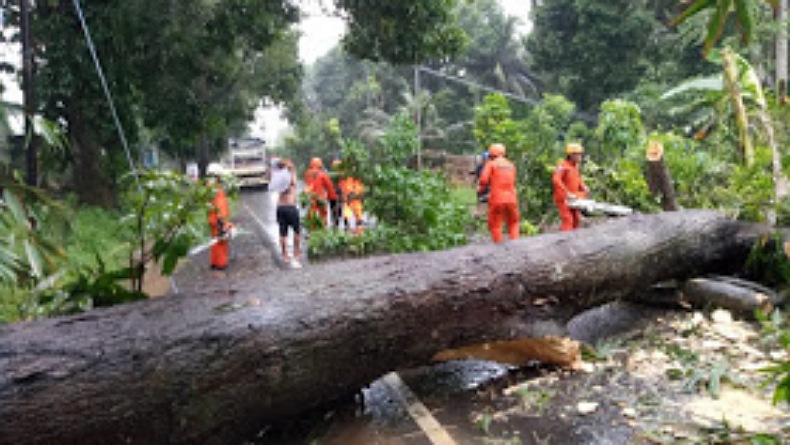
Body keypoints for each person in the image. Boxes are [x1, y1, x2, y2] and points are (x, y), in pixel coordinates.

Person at [478, 143, 519, 243]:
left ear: (491, 154)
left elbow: (483, 180)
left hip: (497, 199)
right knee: (513, 223)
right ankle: (517, 245)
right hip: (512, 199)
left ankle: (498, 248)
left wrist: (480, 190)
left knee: (495, 225)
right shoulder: (511, 165)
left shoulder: (491, 164)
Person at [552, 142, 589, 231]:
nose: (580, 157)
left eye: (580, 154)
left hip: (574, 198)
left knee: (576, 219)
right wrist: (566, 193)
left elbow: (578, 178)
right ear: (571, 155)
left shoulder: (575, 166)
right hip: (564, 199)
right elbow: (556, 180)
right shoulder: (562, 166)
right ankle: (564, 242)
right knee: (568, 220)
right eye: (577, 154)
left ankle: (573, 241)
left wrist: (584, 187)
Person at [272, 159, 302, 268]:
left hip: (280, 207)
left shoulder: (278, 178)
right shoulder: (290, 177)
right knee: (297, 231)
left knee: (283, 233)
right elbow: (294, 182)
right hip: (290, 207)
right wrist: (291, 169)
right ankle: (296, 252)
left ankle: (285, 255)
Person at [206, 163, 231, 270]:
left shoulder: (208, 187)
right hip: (218, 219)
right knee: (221, 241)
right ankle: (221, 263)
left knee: (214, 241)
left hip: (211, 218)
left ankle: (214, 262)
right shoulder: (217, 189)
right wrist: (222, 222)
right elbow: (220, 207)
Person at [304, 157, 337, 227]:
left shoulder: (307, 173)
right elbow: (329, 187)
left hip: (310, 197)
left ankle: (312, 229)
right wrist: (332, 197)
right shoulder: (323, 174)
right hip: (320, 197)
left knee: (312, 214)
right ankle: (323, 229)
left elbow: (308, 184)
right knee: (323, 214)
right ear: (320, 165)